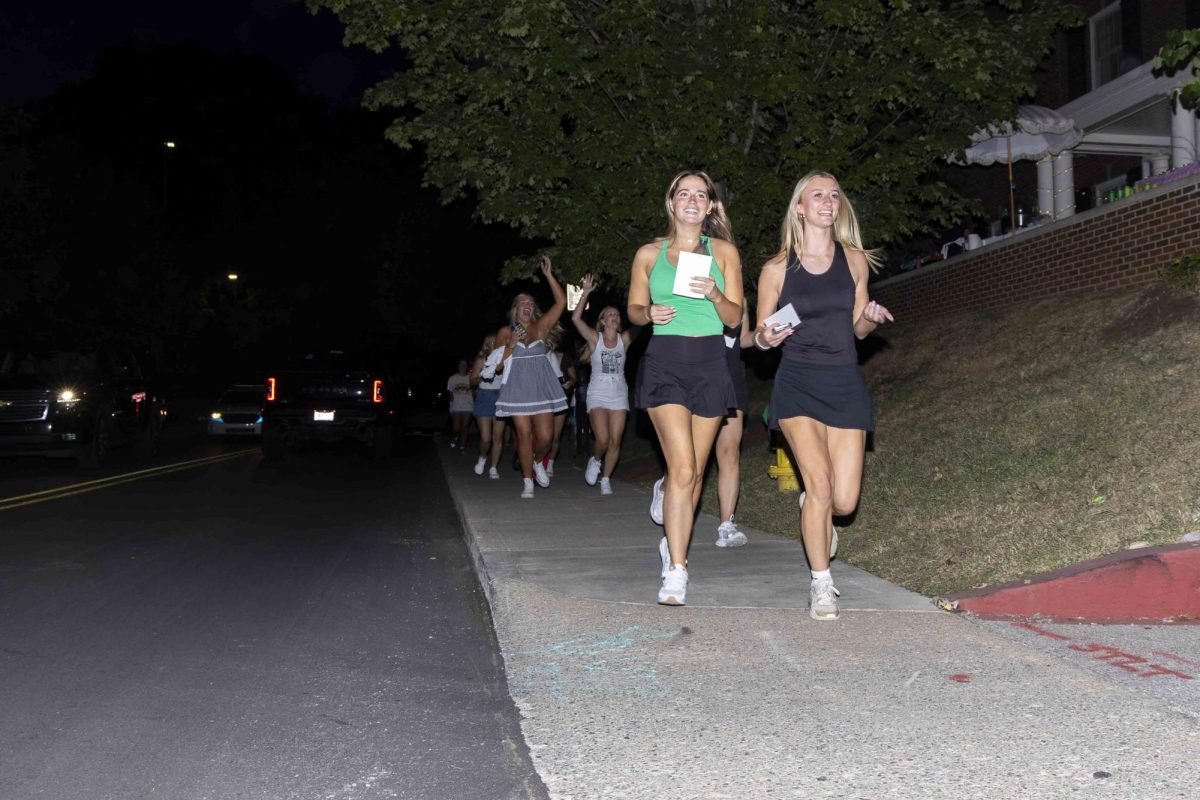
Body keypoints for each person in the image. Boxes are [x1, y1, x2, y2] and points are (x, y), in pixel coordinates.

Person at [754, 170, 894, 622]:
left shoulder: (853, 261)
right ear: (800, 207)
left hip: (843, 381)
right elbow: (758, 334)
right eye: (818, 195)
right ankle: (821, 585)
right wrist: (765, 340)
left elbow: (857, 328)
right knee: (819, 486)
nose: (828, 201)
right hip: (796, 382)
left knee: (844, 501)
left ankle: (815, 513)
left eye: (834, 195)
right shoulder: (776, 269)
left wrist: (870, 318)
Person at [627, 170, 743, 606]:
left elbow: (734, 318)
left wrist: (714, 293)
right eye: (683, 193)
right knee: (683, 469)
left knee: (693, 471)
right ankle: (677, 568)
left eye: (701, 195)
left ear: (710, 205)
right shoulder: (648, 254)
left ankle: (671, 537)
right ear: (671, 202)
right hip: (665, 364)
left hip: (711, 363)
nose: (692, 200)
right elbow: (634, 309)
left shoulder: (726, 252)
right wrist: (647, 314)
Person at [649, 304, 752, 547]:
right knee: (689, 462)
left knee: (730, 452)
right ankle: (667, 487)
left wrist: (764, 337)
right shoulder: (690, 287)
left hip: (731, 378)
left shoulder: (738, 300)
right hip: (697, 377)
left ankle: (726, 525)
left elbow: (744, 338)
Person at [495, 257, 568, 499]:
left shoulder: (541, 326)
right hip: (517, 388)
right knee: (523, 436)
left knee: (547, 436)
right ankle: (527, 481)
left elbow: (561, 302)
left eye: (530, 303)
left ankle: (538, 462)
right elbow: (496, 367)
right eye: (522, 303)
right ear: (515, 309)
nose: (526, 306)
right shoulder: (505, 332)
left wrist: (548, 275)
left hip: (541, 386)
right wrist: (510, 345)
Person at [572, 273, 635, 496]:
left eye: (617, 314)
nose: (614, 316)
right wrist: (586, 293)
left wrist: (646, 305)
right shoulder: (594, 339)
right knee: (603, 439)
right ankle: (596, 459)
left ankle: (606, 478)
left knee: (616, 440)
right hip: (597, 392)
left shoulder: (624, 340)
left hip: (619, 392)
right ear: (602, 321)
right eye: (610, 314)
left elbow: (642, 324)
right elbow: (576, 320)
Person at [542, 326, 575, 479]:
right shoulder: (539, 355)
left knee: (555, 435)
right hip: (542, 399)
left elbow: (573, 377)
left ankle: (550, 464)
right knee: (542, 435)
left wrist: (570, 382)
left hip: (561, 398)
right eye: (549, 339)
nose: (551, 342)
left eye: (554, 340)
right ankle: (538, 461)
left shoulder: (565, 357)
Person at [471, 334, 506, 478]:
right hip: (484, 396)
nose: (494, 343)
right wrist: (482, 376)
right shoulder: (481, 360)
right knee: (486, 438)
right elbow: (471, 382)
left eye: (496, 341)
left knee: (497, 437)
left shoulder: (505, 359)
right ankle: (483, 457)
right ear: (487, 345)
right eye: (491, 342)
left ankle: (493, 467)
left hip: (500, 397)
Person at [446, 359, 474, 450]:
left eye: (465, 365)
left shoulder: (471, 378)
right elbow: (450, 393)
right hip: (456, 407)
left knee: (465, 427)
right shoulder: (452, 378)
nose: (463, 367)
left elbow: (474, 391)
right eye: (461, 365)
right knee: (456, 428)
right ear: (458, 366)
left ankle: (463, 445)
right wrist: (451, 406)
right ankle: (455, 436)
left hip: (468, 406)